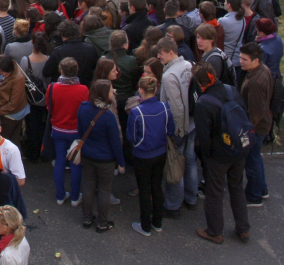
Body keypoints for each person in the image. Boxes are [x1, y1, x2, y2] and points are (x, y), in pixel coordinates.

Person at [192, 63, 251, 245]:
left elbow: (203, 136)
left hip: (219, 155)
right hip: (239, 149)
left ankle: (215, 232)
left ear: (200, 83)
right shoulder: (231, 90)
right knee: (237, 188)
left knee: (215, 193)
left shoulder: (203, 103)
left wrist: (206, 156)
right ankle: (243, 228)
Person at [127, 75, 174, 237]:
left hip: (142, 155)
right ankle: (157, 222)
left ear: (140, 90)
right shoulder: (165, 107)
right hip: (160, 153)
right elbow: (170, 130)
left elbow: (131, 137)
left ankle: (145, 225)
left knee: (145, 190)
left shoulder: (136, 112)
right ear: (155, 89)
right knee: (157, 187)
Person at [156, 38, 198, 217]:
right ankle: (191, 198)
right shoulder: (188, 65)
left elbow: (176, 107)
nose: (159, 57)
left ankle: (173, 205)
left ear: (171, 52)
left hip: (180, 126)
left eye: (161, 53)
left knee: (175, 165)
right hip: (192, 123)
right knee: (190, 160)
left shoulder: (169, 76)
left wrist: (178, 131)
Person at [78, 79, 125, 233]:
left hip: (87, 155)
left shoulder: (83, 108)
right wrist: (121, 162)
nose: (113, 93)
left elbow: (80, 132)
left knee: (88, 185)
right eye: (111, 91)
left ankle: (87, 218)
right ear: (105, 94)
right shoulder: (108, 116)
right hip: (105, 159)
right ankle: (102, 222)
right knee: (104, 190)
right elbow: (115, 142)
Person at [47, 57, 89, 206]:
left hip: (58, 129)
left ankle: (60, 196)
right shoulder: (83, 90)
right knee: (76, 163)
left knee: (60, 161)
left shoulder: (52, 88)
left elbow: (49, 107)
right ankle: (75, 197)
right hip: (76, 131)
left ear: (61, 71)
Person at [239, 43, 272, 208]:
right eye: (240, 58)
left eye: (245, 59)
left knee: (251, 161)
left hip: (256, 128)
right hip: (262, 124)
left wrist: (247, 131)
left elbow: (255, 112)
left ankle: (254, 195)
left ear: (256, 60)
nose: (241, 62)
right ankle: (262, 188)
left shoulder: (255, 83)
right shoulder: (263, 70)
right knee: (256, 158)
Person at [0, 56, 28, 147]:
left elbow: (13, 103)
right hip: (9, 112)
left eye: (5, 72)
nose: (3, 74)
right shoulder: (9, 69)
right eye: (0, 72)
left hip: (11, 115)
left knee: (5, 141)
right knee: (13, 140)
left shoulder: (18, 79)